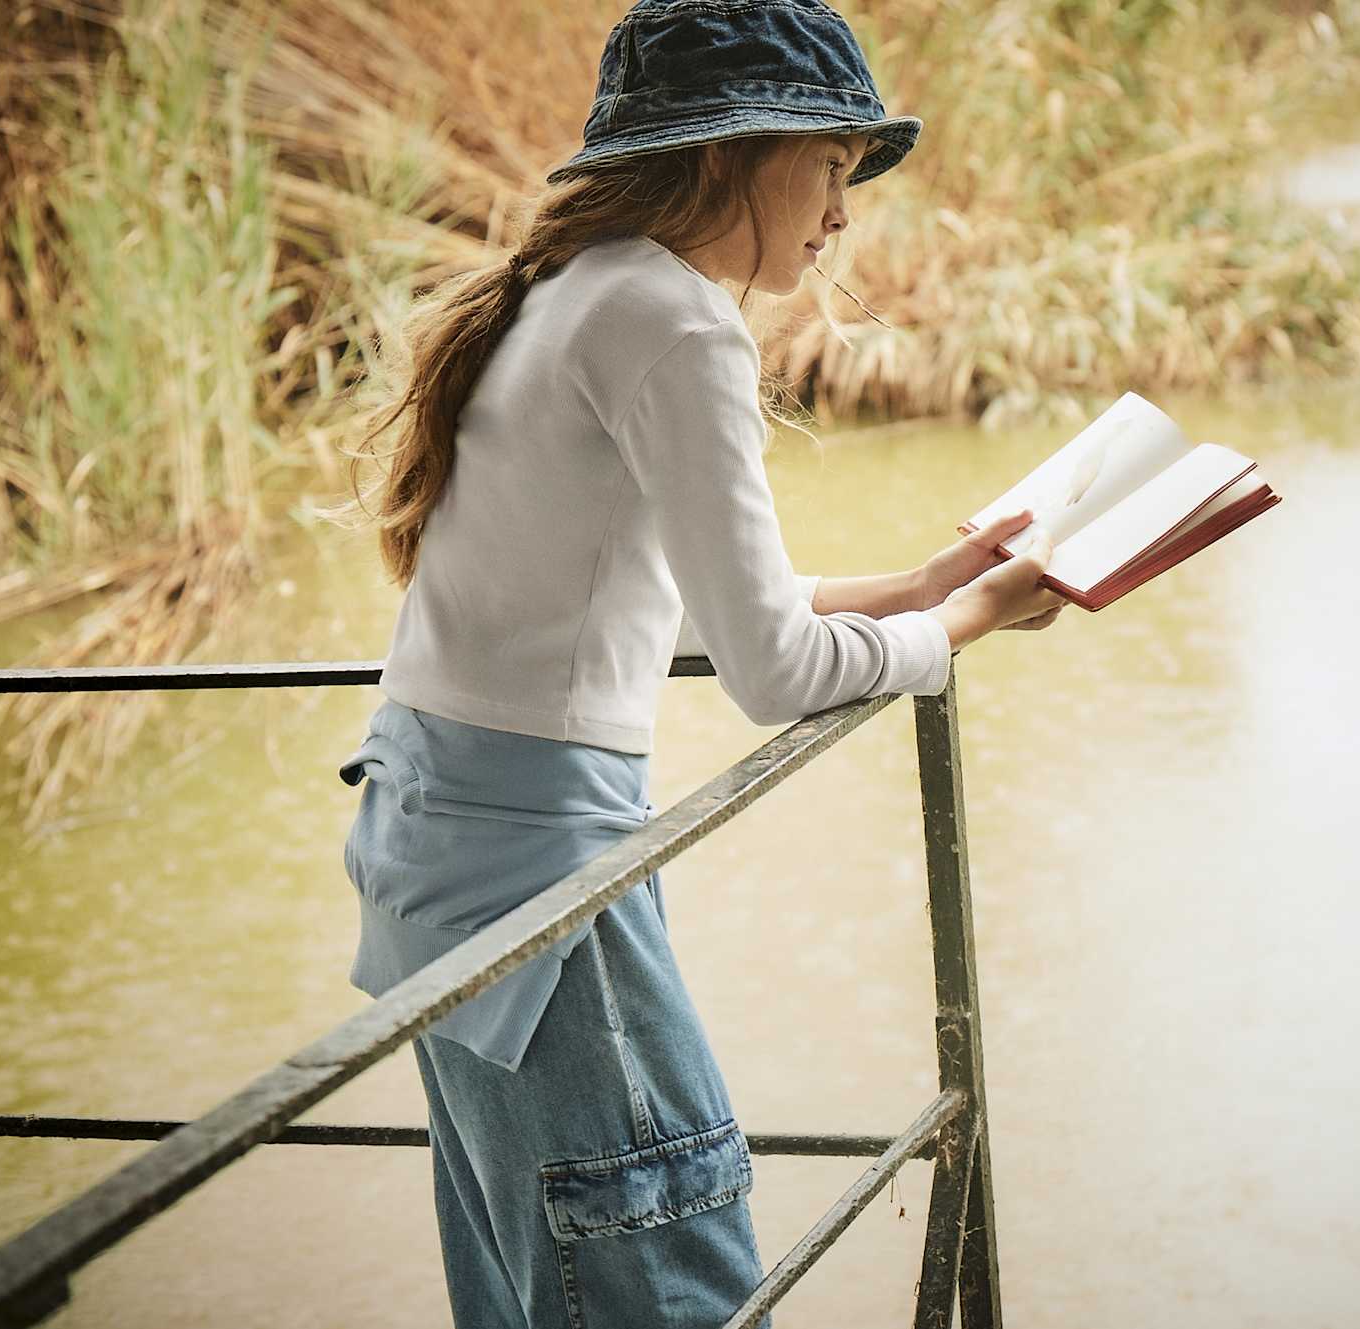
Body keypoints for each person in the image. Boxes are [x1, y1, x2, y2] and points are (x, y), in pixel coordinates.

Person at [335, 2, 1062, 1325]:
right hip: (538, 879)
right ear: (731, 153)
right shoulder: (675, 320)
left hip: (435, 853)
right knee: (669, 1275)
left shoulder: (570, 291)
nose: (840, 214)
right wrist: (969, 623)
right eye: (829, 166)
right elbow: (773, 672)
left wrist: (917, 587)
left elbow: (635, 606)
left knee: (547, 1282)